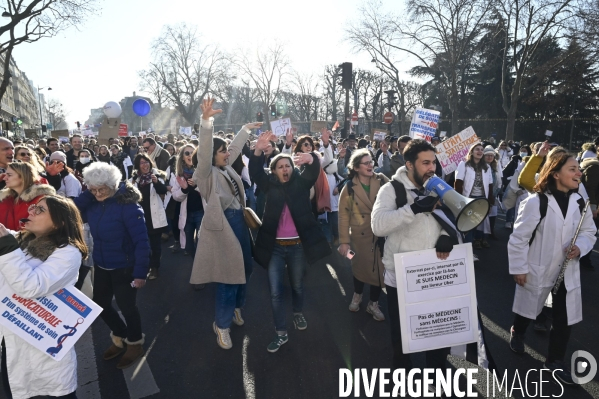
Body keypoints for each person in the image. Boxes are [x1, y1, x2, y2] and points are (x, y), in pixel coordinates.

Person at [508, 152, 596, 385]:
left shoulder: (580, 201)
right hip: (539, 266)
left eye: (579, 169)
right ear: (556, 174)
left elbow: (589, 232)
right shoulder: (537, 202)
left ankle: (554, 361)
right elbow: (518, 239)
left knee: (564, 318)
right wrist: (519, 268)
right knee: (530, 307)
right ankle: (518, 331)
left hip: (567, 270)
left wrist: (580, 247)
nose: (579, 173)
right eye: (573, 169)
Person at [371, 139, 458, 372]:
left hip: (435, 272)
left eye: (434, 162)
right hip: (402, 277)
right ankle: (403, 371)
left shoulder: (438, 186)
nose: (432, 168)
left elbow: (450, 217)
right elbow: (378, 225)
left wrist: (446, 235)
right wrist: (414, 209)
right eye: (425, 163)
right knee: (403, 334)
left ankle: (435, 376)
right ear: (409, 165)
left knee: (438, 332)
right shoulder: (391, 189)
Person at [249, 132, 331, 353]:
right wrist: (257, 150)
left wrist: (311, 157)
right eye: (280, 167)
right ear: (274, 171)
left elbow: (314, 170)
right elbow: (255, 171)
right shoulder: (269, 185)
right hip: (275, 248)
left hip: (296, 247)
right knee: (275, 292)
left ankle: (297, 313)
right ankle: (280, 333)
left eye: (288, 166)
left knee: (297, 285)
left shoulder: (301, 183)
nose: (285, 169)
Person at [190, 97, 261, 350]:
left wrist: (245, 131)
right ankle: (222, 326)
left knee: (247, 268)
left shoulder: (226, 168)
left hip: (238, 223)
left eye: (224, 152)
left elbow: (234, 150)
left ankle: (236, 308)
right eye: (222, 152)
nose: (226, 154)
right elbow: (207, 149)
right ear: (212, 156)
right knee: (228, 277)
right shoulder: (206, 174)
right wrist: (206, 121)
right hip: (223, 228)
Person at [0, 195, 87, 399]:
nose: (30, 212)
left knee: (49, 392)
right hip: (12, 342)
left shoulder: (68, 253)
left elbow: (30, 286)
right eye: (32, 207)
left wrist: (6, 246)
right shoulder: (23, 242)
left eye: (40, 210)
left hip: (43, 348)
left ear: (59, 222)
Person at [73, 162, 150, 369]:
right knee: (99, 305)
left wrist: (140, 273)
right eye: (93, 189)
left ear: (113, 185)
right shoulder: (93, 203)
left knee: (128, 308)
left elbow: (142, 242)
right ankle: (120, 335)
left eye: (102, 189)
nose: (98, 193)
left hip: (124, 267)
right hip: (101, 264)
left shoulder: (129, 207)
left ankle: (134, 343)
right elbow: (72, 211)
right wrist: (89, 194)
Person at [338, 148, 389, 321]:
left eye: (371, 162)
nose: (370, 165)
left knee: (378, 270)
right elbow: (344, 215)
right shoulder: (350, 187)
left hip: (380, 233)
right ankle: (357, 295)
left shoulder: (382, 180)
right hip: (358, 237)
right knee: (358, 267)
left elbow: (396, 198)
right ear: (357, 167)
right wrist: (344, 242)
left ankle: (373, 303)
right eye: (366, 163)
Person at [130, 154, 168, 280]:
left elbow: (163, 190)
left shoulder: (156, 176)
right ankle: (144, 266)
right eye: (141, 163)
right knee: (142, 244)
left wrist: (156, 182)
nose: (145, 165)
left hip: (154, 216)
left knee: (155, 244)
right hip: (140, 217)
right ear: (137, 166)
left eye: (146, 162)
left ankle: (155, 267)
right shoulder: (134, 180)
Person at [454, 143, 494, 254]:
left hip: (482, 199)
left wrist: (490, 202)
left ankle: (470, 248)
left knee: (478, 224)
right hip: (468, 199)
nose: (480, 151)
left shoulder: (487, 167)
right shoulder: (464, 164)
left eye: (482, 150)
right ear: (471, 151)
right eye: (477, 149)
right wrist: (460, 200)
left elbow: (490, 185)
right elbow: (458, 183)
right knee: (468, 226)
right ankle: (468, 251)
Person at [0, 162, 56, 230]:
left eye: (9, 175)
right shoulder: (6, 198)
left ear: (23, 177)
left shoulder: (41, 200)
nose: (4, 178)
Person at [171, 144, 202, 256]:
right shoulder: (179, 175)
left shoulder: (203, 172)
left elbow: (209, 192)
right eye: (187, 153)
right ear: (183, 157)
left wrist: (196, 185)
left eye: (192, 153)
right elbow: (175, 196)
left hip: (201, 212)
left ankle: (201, 270)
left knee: (201, 243)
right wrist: (184, 189)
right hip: (186, 214)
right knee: (189, 247)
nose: (190, 155)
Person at [484, 146, 502, 239]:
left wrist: (498, 189)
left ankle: (491, 231)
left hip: (494, 193)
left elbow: (499, 178)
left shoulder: (496, 166)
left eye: (491, 155)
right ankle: (482, 236)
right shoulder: (481, 166)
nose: (490, 157)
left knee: (493, 213)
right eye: (487, 155)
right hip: (484, 194)